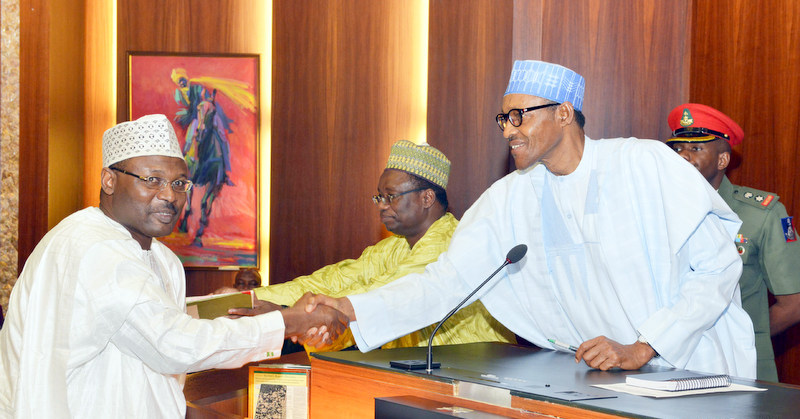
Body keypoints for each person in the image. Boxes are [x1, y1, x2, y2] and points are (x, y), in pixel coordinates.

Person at [308, 60, 757, 378]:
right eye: (504, 118)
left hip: (693, 372)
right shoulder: (509, 199)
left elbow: (718, 268)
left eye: (520, 116)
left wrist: (645, 347)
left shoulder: (645, 163)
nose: (508, 130)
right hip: (605, 381)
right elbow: (444, 281)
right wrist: (348, 310)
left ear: (564, 114)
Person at [0, 114, 346, 418]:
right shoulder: (94, 248)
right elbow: (176, 345)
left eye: (179, 183)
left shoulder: (160, 256)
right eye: (151, 180)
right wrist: (295, 321)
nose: (169, 195)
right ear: (109, 180)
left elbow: (150, 328)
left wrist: (237, 309)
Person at [233, 140, 516, 351]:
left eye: (391, 196)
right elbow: (333, 280)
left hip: (475, 377)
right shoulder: (391, 248)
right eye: (379, 197)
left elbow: (379, 294)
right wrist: (250, 299)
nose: (381, 206)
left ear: (427, 198)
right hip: (412, 376)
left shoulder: (451, 243)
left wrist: (289, 317)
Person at [665, 103, 800, 381]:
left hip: (740, 366)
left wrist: (741, 337)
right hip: (671, 361)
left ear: (722, 160)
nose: (683, 157)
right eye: (677, 149)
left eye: (696, 149)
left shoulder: (761, 213)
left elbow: (793, 304)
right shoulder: (657, 209)